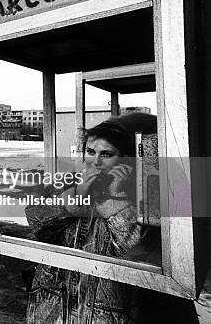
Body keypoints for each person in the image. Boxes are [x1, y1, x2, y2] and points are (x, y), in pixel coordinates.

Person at [25, 113, 197, 323]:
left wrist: (114, 200)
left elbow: (133, 251)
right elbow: (34, 218)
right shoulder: (68, 182)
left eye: (106, 154)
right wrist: (74, 199)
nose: (95, 161)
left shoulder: (140, 196)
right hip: (54, 308)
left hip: (105, 311)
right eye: (90, 151)